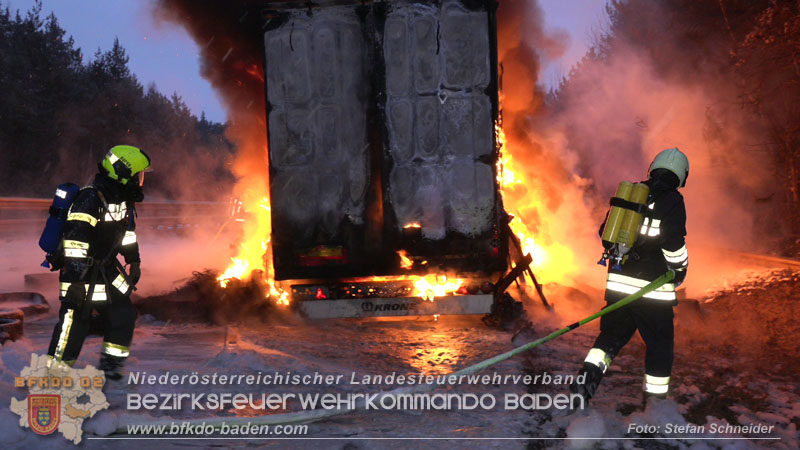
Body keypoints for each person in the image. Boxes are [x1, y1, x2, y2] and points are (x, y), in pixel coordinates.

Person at [572, 147, 689, 405]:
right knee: (660, 348)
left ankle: (583, 387)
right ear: (681, 175)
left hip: (618, 288)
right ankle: (655, 406)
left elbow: (605, 231)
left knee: (607, 342)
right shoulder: (673, 201)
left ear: (653, 168)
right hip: (652, 294)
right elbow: (673, 242)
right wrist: (680, 269)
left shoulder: (633, 193)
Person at [47, 145, 151, 380]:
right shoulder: (90, 198)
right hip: (80, 274)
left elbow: (126, 234)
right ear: (122, 173)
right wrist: (74, 282)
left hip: (106, 270)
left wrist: (133, 260)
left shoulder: (123, 199)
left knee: (123, 314)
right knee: (74, 325)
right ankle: (54, 376)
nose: (140, 181)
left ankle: (112, 369)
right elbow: (75, 242)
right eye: (137, 175)